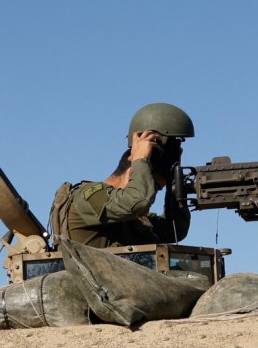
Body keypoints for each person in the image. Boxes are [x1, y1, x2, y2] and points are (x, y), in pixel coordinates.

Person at [51, 103, 196, 248]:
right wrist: (141, 160)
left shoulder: (130, 217)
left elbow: (174, 230)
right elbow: (139, 202)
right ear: (133, 169)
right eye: (151, 186)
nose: (151, 193)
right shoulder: (87, 196)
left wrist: (174, 183)